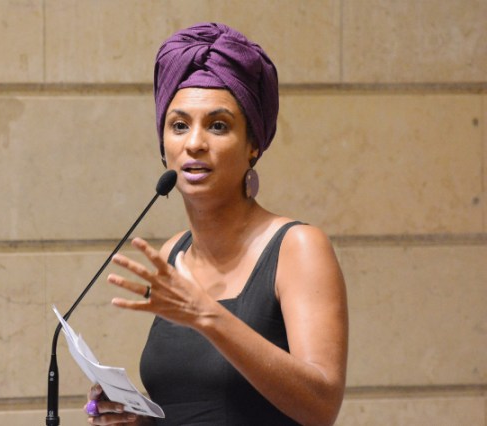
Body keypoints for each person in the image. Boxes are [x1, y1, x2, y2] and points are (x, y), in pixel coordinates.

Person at [85, 22, 348, 426]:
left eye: (218, 125)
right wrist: (142, 419)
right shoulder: (173, 253)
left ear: (253, 144)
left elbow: (321, 406)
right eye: (179, 125)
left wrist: (206, 315)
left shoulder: (298, 247)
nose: (194, 143)